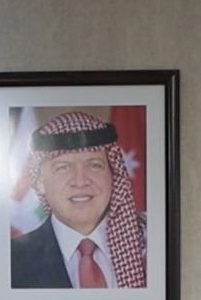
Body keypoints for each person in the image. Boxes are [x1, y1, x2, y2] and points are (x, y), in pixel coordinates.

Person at [10, 110, 146, 289]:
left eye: (94, 165)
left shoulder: (151, 245)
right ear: (40, 182)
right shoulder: (9, 262)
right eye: (63, 168)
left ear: (113, 173)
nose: (80, 181)